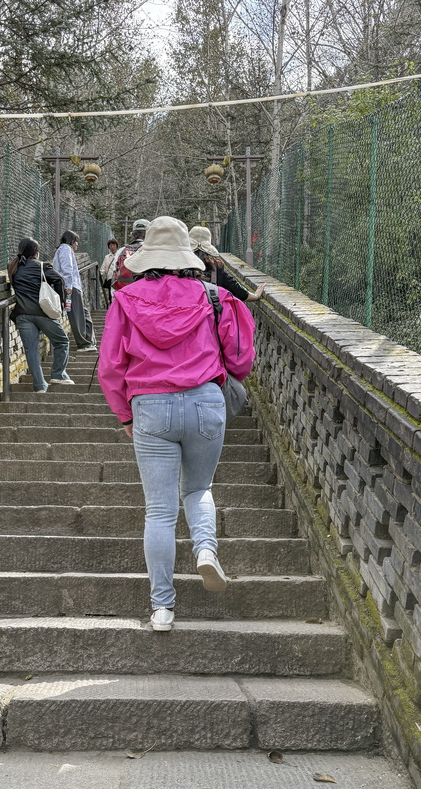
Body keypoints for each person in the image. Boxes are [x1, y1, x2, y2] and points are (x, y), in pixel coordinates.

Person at [98, 216, 256, 633]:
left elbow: (110, 366)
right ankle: (205, 549)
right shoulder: (216, 296)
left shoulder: (125, 300)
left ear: (147, 256)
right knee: (199, 489)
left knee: (159, 511)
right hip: (205, 401)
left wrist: (125, 414)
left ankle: (162, 608)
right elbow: (241, 359)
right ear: (188, 255)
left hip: (151, 406)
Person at [7, 237, 74, 393]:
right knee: (62, 341)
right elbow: (60, 280)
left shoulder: (13, 267)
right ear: (36, 252)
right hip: (42, 313)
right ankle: (58, 374)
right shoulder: (42, 266)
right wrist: (60, 302)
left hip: (22, 314)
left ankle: (39, 386)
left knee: (31, 350)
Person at [189, 225, 266, 303]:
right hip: (208, 309)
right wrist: (256, 296)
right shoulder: (216, 266)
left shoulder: (183, 265)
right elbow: (236, 289)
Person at [52, 230, 96, 352]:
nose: (77, 244)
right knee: (76, 315)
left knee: (84, 312)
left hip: (74, 287)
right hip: (70, 288)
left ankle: (89, 340)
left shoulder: (64, 249)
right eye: (76, 241)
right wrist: (68, 288)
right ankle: (83, 344)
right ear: (71, 241)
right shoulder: (65, 249)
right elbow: (67, 269)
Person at [111, 218, 150, 290]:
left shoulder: (121, 251)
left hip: (126, 291)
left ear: (133, 236)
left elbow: (115, 273)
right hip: (147, 291)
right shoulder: (153, 250)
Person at [100, 238, 119, 306]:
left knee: (118, 295)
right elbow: (103, 267)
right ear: (108, 247)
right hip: (110, 279)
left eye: (114, 245)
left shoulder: (120, 255)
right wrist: (101, 273)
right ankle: (112, 309)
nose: (112, 247)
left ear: (116, 246)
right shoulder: (107, 257)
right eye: (110, 245)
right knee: (111, 296)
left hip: (118, 279)